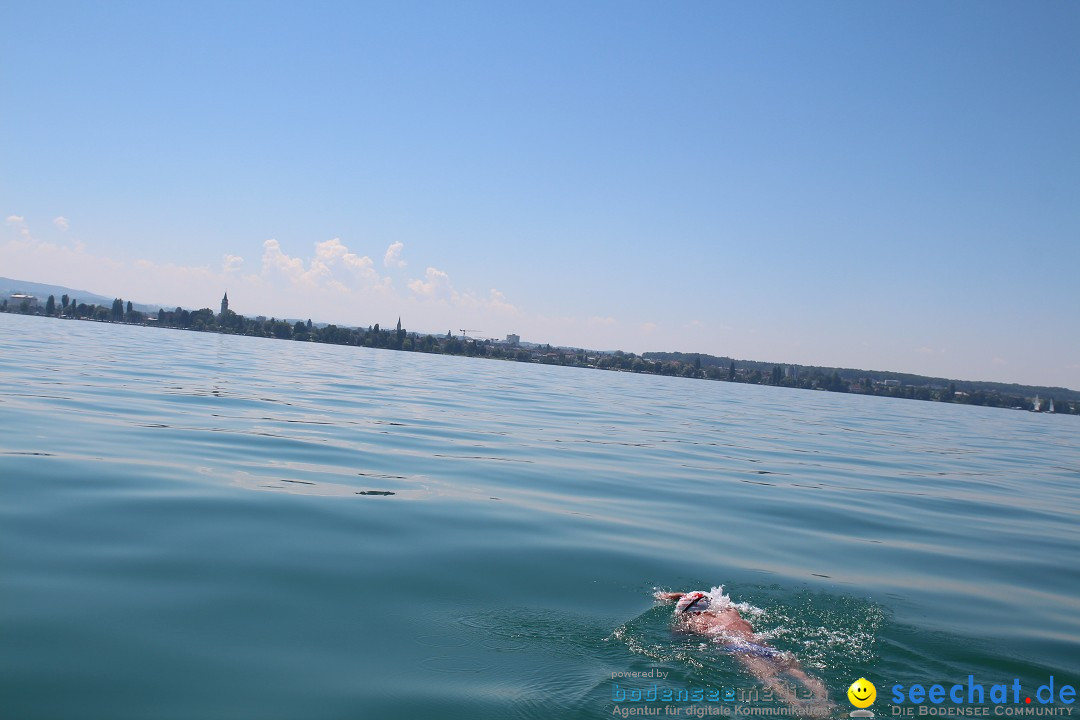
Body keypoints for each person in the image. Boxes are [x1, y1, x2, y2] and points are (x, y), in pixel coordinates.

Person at [654, 588, 831, 710]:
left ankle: (799, 706)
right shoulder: (729, 611)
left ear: (692, 612)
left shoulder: (698, 621)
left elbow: (678, 636)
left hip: (738, 646)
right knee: (796, 671)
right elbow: (699, 598)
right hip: (760, 642)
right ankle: (826, 700)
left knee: (770, 678)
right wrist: (678, 596)